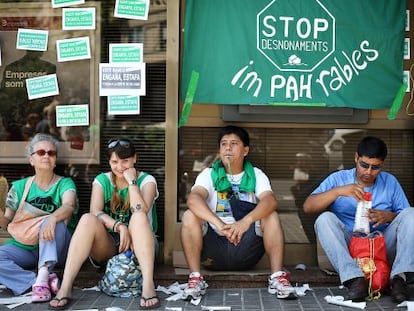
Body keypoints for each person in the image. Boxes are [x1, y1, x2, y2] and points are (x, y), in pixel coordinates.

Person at [180, 125, 296, 300]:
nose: (228, 147)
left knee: (270, 214)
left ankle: (277, 277)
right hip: (213, 248)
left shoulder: (256, 174)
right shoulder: (208, 174)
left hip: (246, 246)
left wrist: (245, 222)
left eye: (234, 143)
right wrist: (220, 224)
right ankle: (196, 278)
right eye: (224, 143)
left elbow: (270, 200)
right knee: (189, 215)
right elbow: (193, 199)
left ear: (245, 150)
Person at [49, 138, 160, 310]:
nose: (120, 166)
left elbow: (141, 210)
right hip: (110, 244)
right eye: (115, 162)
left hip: (142, 246)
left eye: (125, 161)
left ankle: (148, 284)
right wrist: (119, 226)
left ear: (134, 159)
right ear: (109, 161)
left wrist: (132, 183)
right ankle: (66, 286)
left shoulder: (147, 180)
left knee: (137, 217)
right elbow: (96, 211)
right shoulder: (102, 180)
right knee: (87, 218)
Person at [303, 136, 414, 303]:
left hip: (381, 248)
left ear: (382, 164)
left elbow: (406, 220)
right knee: (325, 218)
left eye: (375, 167)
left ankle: (399, 280)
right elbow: (308, 207)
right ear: (356, 158)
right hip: (349, 249)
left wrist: (388, 216)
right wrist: (337, 192)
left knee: (411, 213)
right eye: (364, 165)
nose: (368, 172)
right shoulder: (338, 179)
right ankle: (354, 279)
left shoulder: (390, 182)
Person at [0, 133, 78, 302]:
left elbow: (68, 206)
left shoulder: (65, 183)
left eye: (51, 153)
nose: (46, 156)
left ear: (55, 160)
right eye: (41, 152)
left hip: (58, 246)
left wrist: (51, 218)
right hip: (25, 246)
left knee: (53, 222)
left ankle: (44, 273)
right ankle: (37, 282)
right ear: (31, 159)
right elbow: (7, 222)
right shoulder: (19, 187)